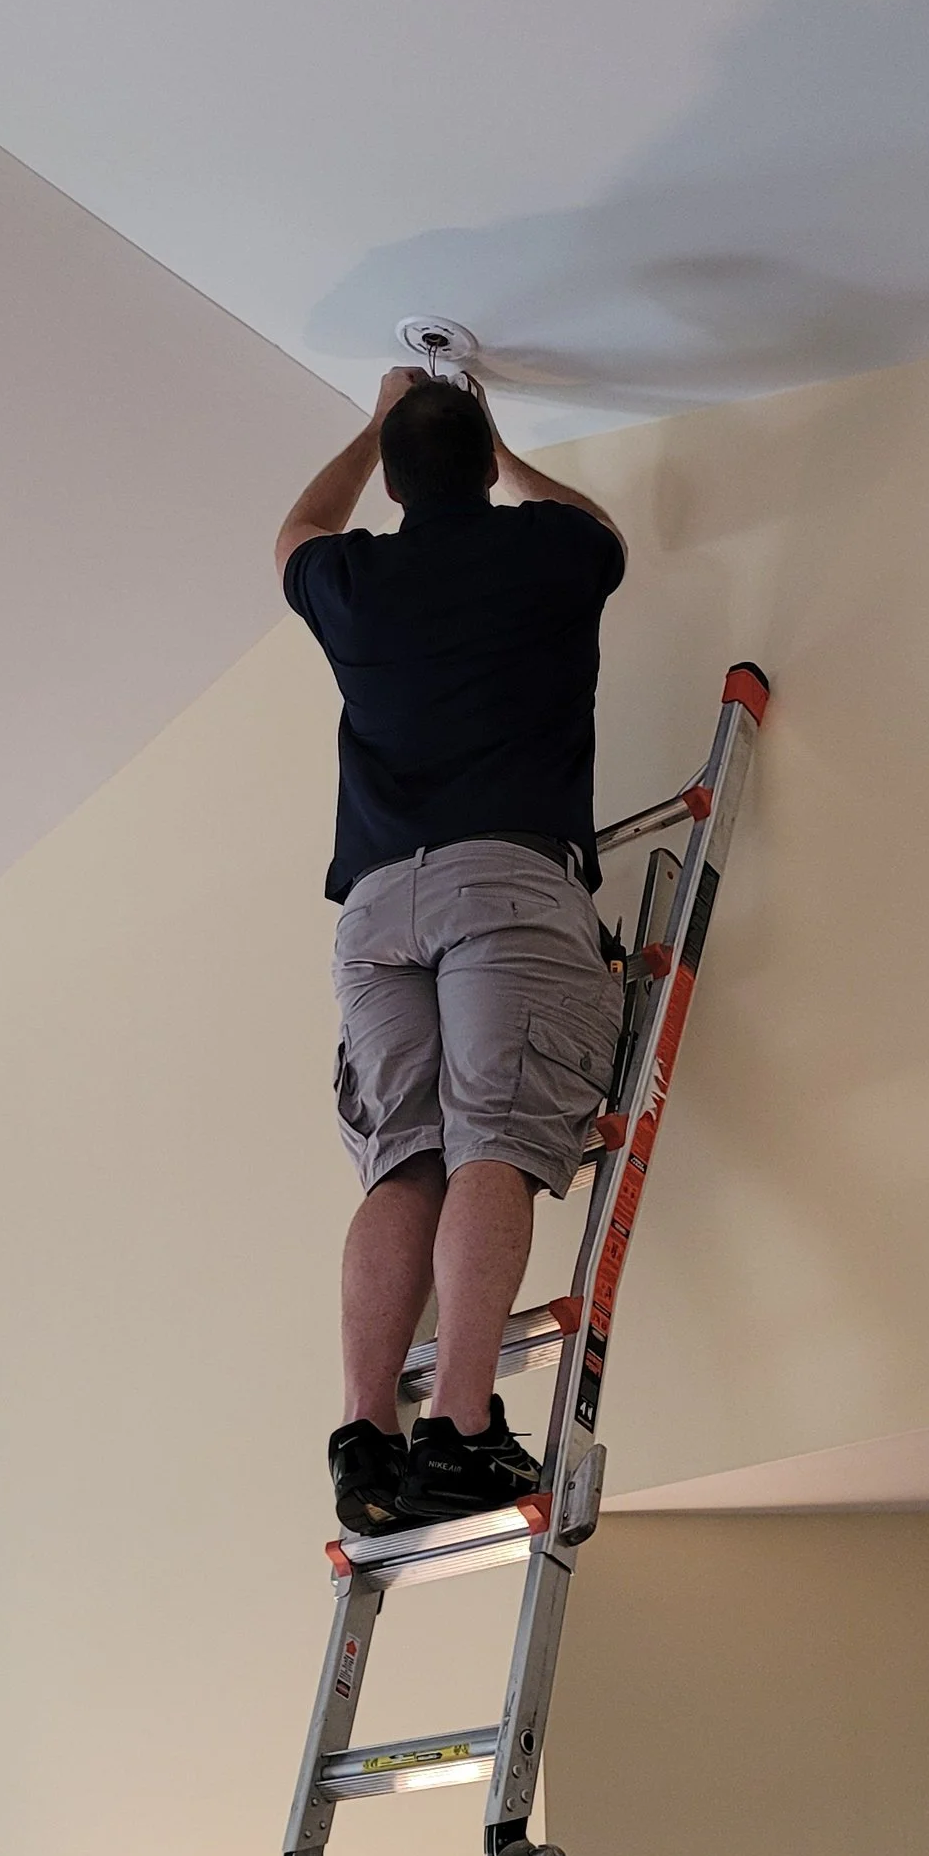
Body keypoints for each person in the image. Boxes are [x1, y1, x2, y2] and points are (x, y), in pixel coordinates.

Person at [278, 367, 628, 1533]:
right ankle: (462, 1425)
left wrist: (372, 421)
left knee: (403, 1162)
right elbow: (596, 524)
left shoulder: (352, 577)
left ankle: (367, 1434)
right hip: (504, 885)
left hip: (376, 912)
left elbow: (297, 530)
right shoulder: (544, 551)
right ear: (484, 463)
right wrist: (502, 439)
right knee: (495, 1140)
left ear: (390, 473)